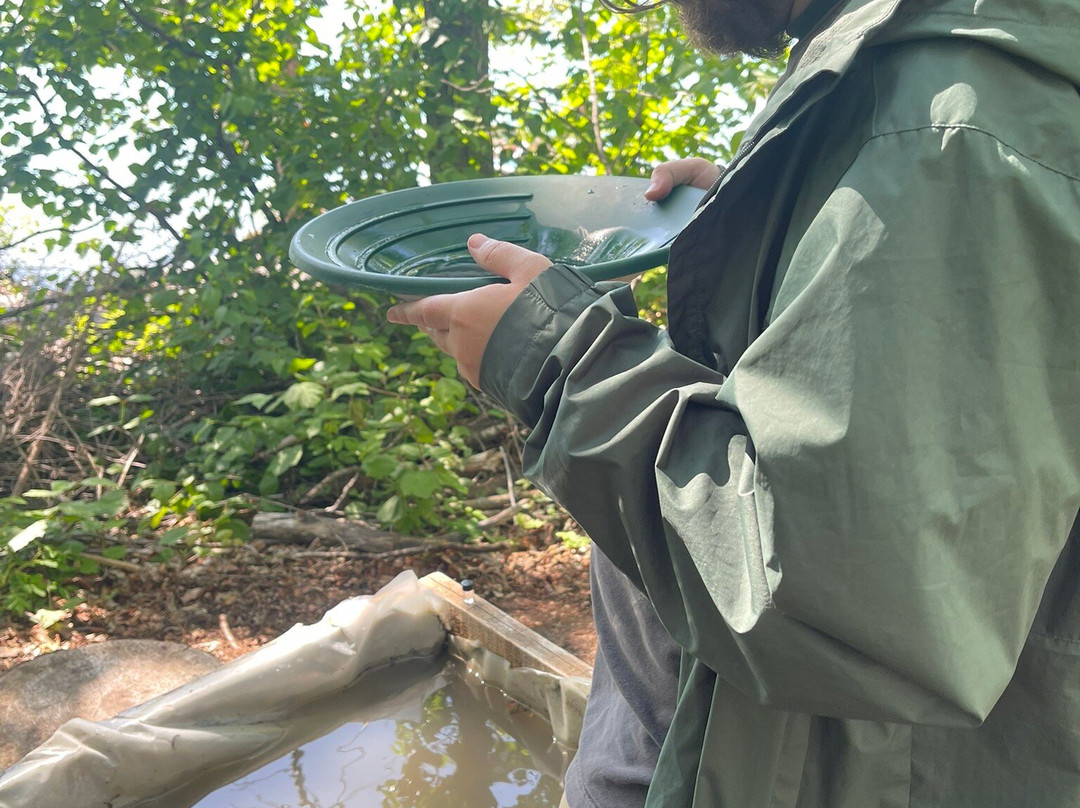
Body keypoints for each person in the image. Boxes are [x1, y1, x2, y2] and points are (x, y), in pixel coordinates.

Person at [388, 0, 1080, 804]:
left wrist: (555, 359)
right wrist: (758, 225)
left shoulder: (950, 122)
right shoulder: (919, 86)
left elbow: (834, 588)